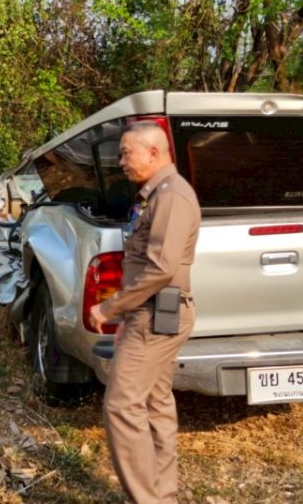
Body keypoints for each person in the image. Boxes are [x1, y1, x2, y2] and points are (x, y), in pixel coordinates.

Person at [88, 121, 201, 504]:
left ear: (153, 152)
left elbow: (161, 269)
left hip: (156, 314)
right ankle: (161, 495)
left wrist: (110, 307)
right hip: (149, 314)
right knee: (154, 403)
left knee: (122, 406)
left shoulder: (172, 196)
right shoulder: (156, 194)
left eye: (125, 153)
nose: (120, 161)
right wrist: (126, 319)